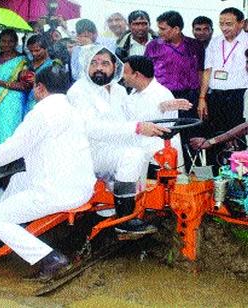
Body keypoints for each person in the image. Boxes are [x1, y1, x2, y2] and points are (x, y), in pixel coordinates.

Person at [0, 65, 96, 280]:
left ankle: (51, 259)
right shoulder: (73, 109)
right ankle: (9, 232)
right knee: (18, 178)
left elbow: (11, 150)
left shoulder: (42, 113)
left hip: (57, 193)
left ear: (40, 88)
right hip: (81, 187)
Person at [67, 45, 171, 234]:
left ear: (115, 67)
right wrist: (138, 128)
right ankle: (124, 220)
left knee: (149, 149)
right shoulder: (79, 91)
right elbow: (91, 128)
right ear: (86, 66)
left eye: (105, 63)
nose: (99, 68)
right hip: (88, 151)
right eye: (94, 63)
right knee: (132, 155)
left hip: (113, 149)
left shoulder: (119, 91)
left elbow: (134, 117)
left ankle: (134, 206)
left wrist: (163, 106)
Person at [144, 11, 205, 171]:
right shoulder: (153, 46)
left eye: (163, 29)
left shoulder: (194, 45)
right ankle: (163, 173)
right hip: (163, 99)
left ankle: (194, 173)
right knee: (163, 136)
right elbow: (147, 75)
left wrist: (200, 98)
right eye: (159, 28)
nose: (159, 32)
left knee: (190, 137)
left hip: (188, 98)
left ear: (176, 29)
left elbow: (201, 72)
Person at [197, 7, 248, 166]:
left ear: (241, 23)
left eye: (229, 24)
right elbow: (207, 70)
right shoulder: (215, 41)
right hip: (216, 96)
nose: (224, 28)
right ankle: (217, 176)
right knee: (216, 136)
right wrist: (202, 98)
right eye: (221, 24)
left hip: (239, 96)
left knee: (236, 137)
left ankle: (239, 173)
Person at [122, 55, 192, 170]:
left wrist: (163, 106)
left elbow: (158, 118)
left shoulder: (162, 94)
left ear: (136, 75)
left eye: (125, 72)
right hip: (140, 155)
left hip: (160, 161)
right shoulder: (133, 92)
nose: (122, 76)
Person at [0, 29, 29, 147]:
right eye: (3, 41)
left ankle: (9, 162)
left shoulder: (22, 60)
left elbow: (24, 86)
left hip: (12, 102)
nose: (6, 44)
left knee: (9, 131)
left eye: (10, 41)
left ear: (16, 43)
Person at [24, 34, 53, 113]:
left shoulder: (53, 65)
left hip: (44, 106)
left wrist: (37, 80)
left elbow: (56, 87)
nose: (34, 54)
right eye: (31, 51)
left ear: (46, 48)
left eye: (37, 50)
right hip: (27, 105)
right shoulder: (28, 64)